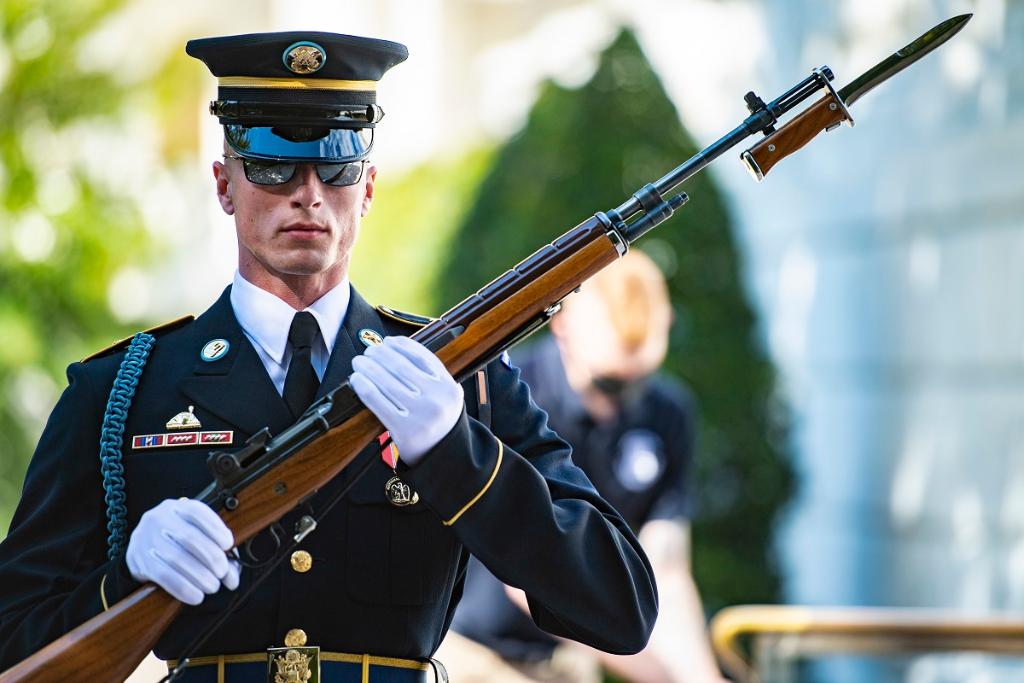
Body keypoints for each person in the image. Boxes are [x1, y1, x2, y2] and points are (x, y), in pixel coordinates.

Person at [0, 32, 658, 682]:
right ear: (224, 184)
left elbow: (621, 606)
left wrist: (458, 454)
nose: (307, 192)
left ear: (367, 186)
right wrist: (125, 582)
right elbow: (14, 642)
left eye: (335, 165)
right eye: (271, 163)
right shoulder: (123, 392)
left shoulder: (457, 380)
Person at [441, 251, 726, 683]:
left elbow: (665, 565)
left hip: (571, 655)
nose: (615, 405)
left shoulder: (667, 412)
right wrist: (665, 675)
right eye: (606, 383)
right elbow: (525, 574)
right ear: (563, 325)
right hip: (476, 649)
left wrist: (702, 675)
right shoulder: (508, 393)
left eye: (637, 382)